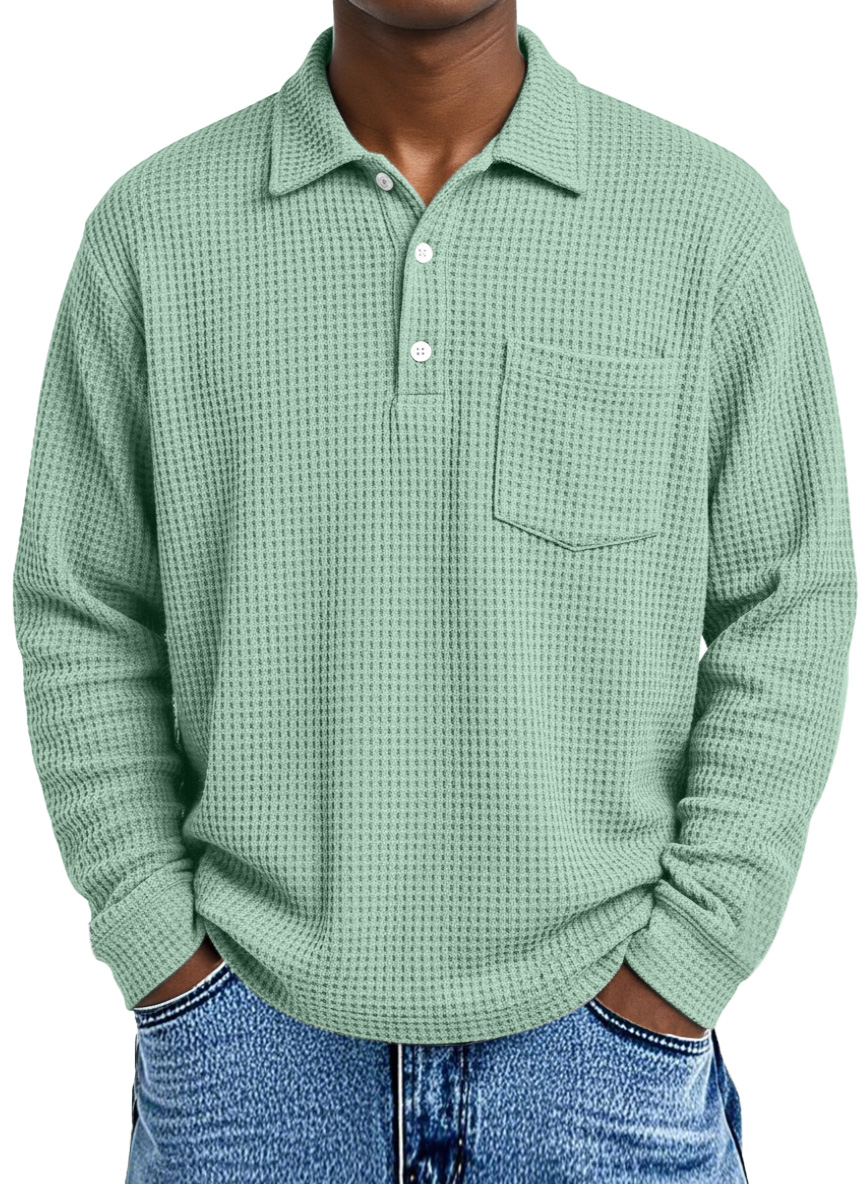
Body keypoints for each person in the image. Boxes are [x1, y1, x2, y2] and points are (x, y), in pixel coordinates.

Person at [12, 0, 856, 1180]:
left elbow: (788, 599)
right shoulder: (154, 232)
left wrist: (686, 961)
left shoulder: (709, 223)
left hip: (605, 1059)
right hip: (247, 1059)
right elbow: (85, 609)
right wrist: (161, 949)